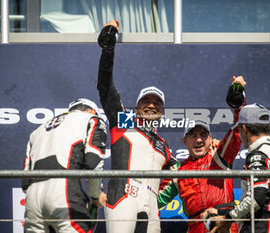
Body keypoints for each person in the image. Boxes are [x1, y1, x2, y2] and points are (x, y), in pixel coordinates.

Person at [97, 20, 177, 233]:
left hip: (152, 202)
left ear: (162, 110)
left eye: (157, 103)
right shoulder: (123, 121)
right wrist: (108, 48)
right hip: (124, 195)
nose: (151, 105)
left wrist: (209, 147)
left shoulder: (163, 144)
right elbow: (105, 88)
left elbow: (185, 171)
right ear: (137, 107)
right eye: (146, 102)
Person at [158, 76, 246, 233]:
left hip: (224, 225)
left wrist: (238, 100)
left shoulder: (219, 155)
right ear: (185, 141)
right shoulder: (177, 171)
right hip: (196, 228)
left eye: (203, 134)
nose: (199, 139)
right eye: (193, 135)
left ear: (210, 138)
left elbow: (238, 130)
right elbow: (154, 200)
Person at [22, 98, 108, 233]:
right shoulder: (92, 119)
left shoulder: (37, 130)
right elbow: (93, 163)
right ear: (92, 111)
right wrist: (96, 195)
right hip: (63, 193)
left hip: (33, 198)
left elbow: (25, 181)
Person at [203, 103, 270, 233]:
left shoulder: (258, 154)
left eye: (238, 130)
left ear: (244, 129)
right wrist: (223, 212)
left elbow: (257, 197)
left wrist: (228, 218)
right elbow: (263, 199)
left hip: (258, 227)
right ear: (268, 127)